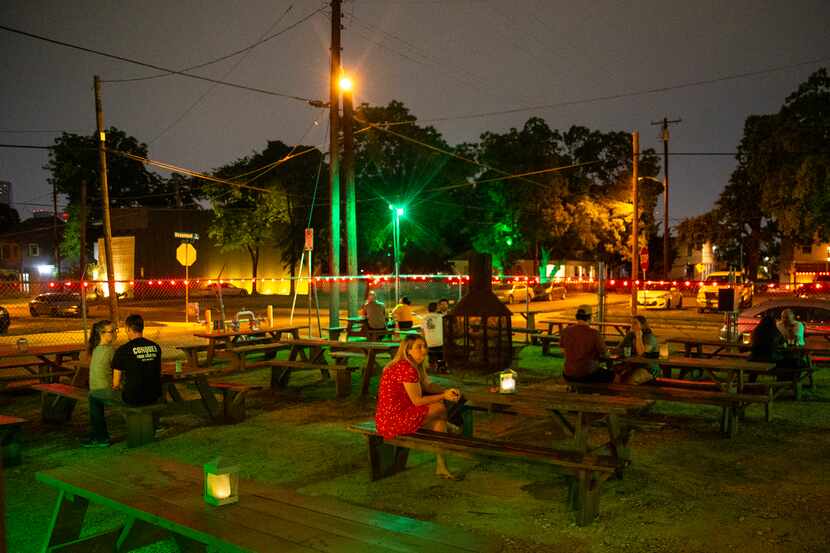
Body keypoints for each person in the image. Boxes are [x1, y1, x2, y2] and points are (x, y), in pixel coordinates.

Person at [375, 334, 461, 479]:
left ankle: (441, 466)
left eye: (425, 346)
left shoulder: (413, 365)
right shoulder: (406, 369)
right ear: (408, 350)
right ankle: (450, 426)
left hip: (394, 414)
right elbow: (417, 401)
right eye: (419, 347)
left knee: (439, 423)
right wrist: (443, 396)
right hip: (392, 419)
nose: (424, 350)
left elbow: (427, 385)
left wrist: (445, 391)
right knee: (439, 407)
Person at [111, 314, 162, 407]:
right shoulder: (156, 347)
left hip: (132, 397)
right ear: (142, 328)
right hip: (154, 395)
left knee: (95, 396)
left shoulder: (123, 350)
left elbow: (116, 383)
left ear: (128, 329)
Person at [80, 320, 117, 447]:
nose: (114, 334)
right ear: (101, 333)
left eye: (114, 331)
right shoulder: (100, 349)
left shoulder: (106, 350)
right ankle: (100, 437)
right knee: (94, 400)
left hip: (104, 390)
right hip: (99, 389)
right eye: (111, 331)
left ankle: (100, 438)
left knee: (94, 400)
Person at [560, 306, 614, 383]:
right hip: (587, 374)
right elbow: (605, 354)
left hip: (568, 374)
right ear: (590, 317)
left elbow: (562, 351)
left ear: (577, 317)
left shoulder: (566, 331)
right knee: (611, 374)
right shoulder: (594, 333)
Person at [616, 315, 659, 384]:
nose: (632, 325)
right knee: (613, 376)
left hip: (647, 368)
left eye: (635, 323)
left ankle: (629, 394)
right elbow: (618, 349)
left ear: (643, 325)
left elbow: (641, 354)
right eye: (631, 323)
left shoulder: (649, 337)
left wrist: (638, 337)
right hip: (630, 365)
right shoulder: (630, 335)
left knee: (630, 381)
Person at [422, 302, 445, 371]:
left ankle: (432, 365)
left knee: (431, 353)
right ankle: (441, 366)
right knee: (440, 353)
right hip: (439, 341)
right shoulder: (441, 317)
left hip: (429, 342)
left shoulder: (424, 318)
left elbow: (423, 331)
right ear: (437, 308)